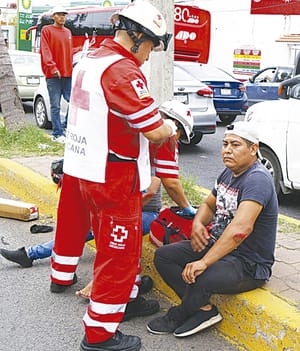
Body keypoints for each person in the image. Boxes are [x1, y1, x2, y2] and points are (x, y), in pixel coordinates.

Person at [49, 1, 173, 351]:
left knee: (109, 242)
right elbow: (153, 131)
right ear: (136, 37)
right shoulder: (124, 71)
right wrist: (171, 127)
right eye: (150, 46)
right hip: (114, 174)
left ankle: (125, 298)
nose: (149, 55)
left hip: (83, 167)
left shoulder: (89, 58)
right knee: (119, 252)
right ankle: (100, 333)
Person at [147, 120, 278, 338]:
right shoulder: (227, 173)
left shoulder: (257, 180)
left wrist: (204, 261)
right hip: (218, 246)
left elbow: (240, 229)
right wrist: (198, 223)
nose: (227, 150)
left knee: (203, 274)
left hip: (248, 262)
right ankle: (202, 309)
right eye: (225, 144)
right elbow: (208, 204)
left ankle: (179, 313)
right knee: (164, 256)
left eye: (235, 145)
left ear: (253, 149)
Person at [74, 99, 197, 300]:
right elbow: (170, 183)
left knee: (87, 233)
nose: (178, 138)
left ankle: (39, 257)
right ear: (176, 126)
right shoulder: (167, 137)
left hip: (100, 187)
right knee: (121, 248)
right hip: (126, 199)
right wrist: (186, 207)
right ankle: (111, 296)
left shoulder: (135, 125)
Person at [40, 6, 73, 143]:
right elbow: (45, 50)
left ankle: (66, 127)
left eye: (64, 15)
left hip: (68, 74)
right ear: (53, 16)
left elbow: (69, 52)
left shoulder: (68, 32)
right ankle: (57, 133)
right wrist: (53, 67)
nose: (62, 17)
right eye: (59, 15)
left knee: (73, 102)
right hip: (53, 75)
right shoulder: (46, 30)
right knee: (55, 105)